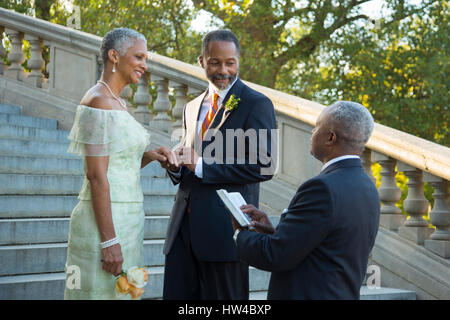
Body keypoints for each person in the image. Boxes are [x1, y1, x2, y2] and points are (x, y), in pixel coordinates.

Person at [160, 29, 277, 299]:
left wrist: (201, 166)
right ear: (202, 61)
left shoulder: (256, 104)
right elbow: (190, 165)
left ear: (238, 61)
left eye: (230, 63)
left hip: (225, 232)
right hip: (181, 230)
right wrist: (176, 167)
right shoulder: (191, 107)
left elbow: (265, 165)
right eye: (215, 62)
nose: (223, 70)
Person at [64, 28, 176, 299]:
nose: (144, 65)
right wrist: (109, 240)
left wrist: (149, 156)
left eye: (145, 58)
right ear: (114, 56)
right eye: (138, 56)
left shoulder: (118, 103)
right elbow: (95, 176)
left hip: (129, 220)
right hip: (104, 224)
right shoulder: (99, 101)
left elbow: (117, 165)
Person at [232, 101, 380, 300]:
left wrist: (239, 233)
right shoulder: (367, 186)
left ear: (330, 138)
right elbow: (326, 244)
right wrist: (275, 231)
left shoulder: (321, 188)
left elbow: (276, 255)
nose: (313, 132)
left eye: (317, 126)